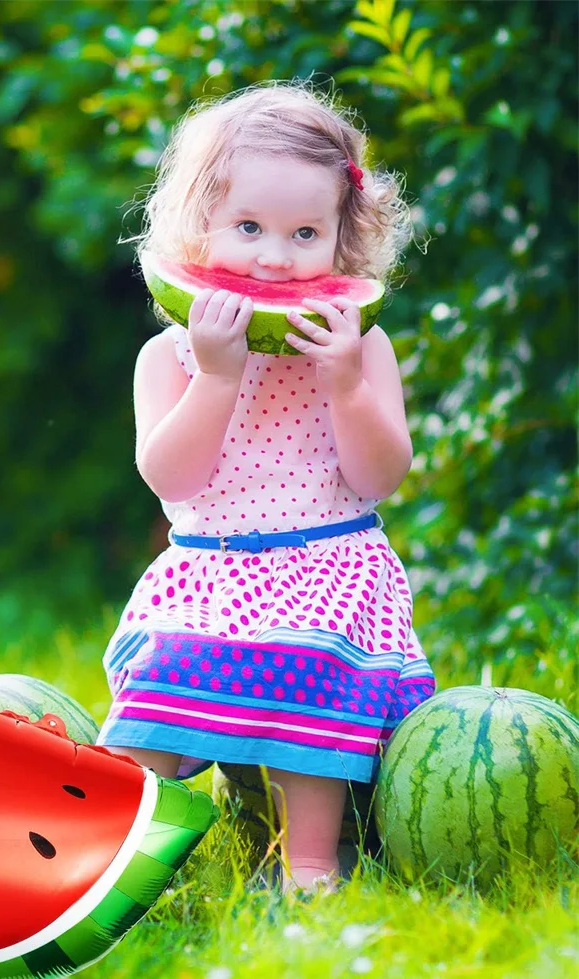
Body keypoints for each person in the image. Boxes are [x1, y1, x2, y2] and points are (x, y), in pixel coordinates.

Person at [97, 81, 435, 892]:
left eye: (305, 233)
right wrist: (216, 379)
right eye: (248, 228)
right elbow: (171, 477)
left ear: (343, 242)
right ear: (199, 223)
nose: (276, 258)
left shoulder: (362, 349)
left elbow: (380, 476)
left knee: (312, 680)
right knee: (158, 689)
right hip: (209, 576)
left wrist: (349, 385)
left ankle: (313, 866)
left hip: (331, 575)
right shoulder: (169, 357)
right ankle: (112, 851)